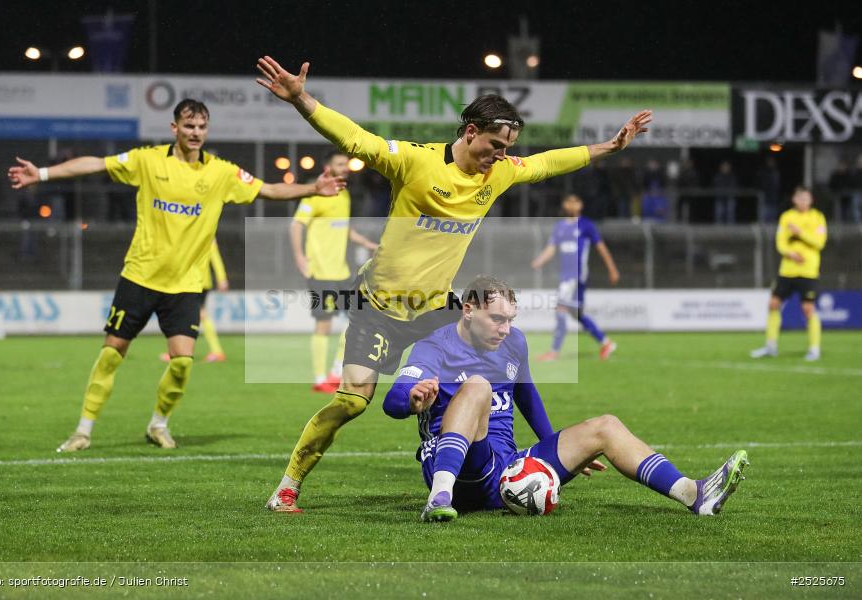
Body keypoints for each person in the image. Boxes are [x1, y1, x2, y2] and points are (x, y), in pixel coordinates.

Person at [255, 55, 651, 512]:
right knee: (352, 403)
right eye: (495, 145)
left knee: (502, 362)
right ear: (470, 132)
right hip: (377, 309)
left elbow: (546, 163)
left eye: (507, 148)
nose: (500, 156)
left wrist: (609, 147)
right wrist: (301, 99)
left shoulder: (498, 173)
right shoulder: (416, 162)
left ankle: (502, 465)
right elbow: (356, 139)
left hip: (437, 308)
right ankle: (287, 487)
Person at [7, 98, 345, 452]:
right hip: (139, 277)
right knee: (111, 354)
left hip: (185, 285)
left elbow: (270, 189)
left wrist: (312, 188)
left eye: (201, 127)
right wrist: (41, 174)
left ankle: (158, 424)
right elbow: (96, 164)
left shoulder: (221, 173)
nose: (195, 132)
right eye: (189, 126)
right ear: (175, 128)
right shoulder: (148, 160)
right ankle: (83, 430)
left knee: (182, 362)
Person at [383, 275, 749, 521]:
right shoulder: (435, 346)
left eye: (510, 319)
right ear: (468, 310)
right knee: (479, 386)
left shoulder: (513, 342)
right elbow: (394, 401)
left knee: (605, 426)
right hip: (460, 472)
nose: (506, 329)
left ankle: (693, 494)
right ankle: (439, 498)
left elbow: (526, 394)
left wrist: (555, 448)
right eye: (496, 319)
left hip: (506, 466)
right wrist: (412, 400)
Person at [290, 150, 378, 393]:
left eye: (346, 163)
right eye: (340, 164)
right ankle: (320, 378)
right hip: (321, 272)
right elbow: (296, 224)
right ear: (327, 167)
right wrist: (299, 256)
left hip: (342, 271)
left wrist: (367, 243)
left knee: (357, 319)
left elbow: (344, 228)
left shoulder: (344, 194)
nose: (345, 167)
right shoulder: (315, 194)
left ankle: (336, 370)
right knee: (324, 324)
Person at [530, 194, 619, 361]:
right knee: (577, 314)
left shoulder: (586, 225)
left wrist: (612, 269)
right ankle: (606, 342)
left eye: (575, 202)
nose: (571, 205)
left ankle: (554, 352)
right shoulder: (560, 227)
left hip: (577, 276)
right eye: (568, 202)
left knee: (560, 308)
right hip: (566, 276)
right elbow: (551, 249)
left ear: (581, 205)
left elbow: (601, 248)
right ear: (564, 205)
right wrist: (539, 261)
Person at [751, 186, 827, 362]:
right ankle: (770, 346)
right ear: (794, 199)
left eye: (806, 198)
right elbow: (780, 242)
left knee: (808, 308)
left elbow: (820, 242)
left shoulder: (817, 217)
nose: (803, 201)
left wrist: (801, 233)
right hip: (787, 270)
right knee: (773, 304)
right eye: (800, 198)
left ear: (811, 200)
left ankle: (814, 348)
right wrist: (790, 253)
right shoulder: (787, 217)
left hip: (808, 271)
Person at [160, 238, 229, 364]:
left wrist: (222, 278)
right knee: (190, 315)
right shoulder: (200, 233)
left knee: (196, 314)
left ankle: (215, 351)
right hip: (192, 281)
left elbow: (214, 256)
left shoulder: (205, 234)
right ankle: (184, 350)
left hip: (197, 282)